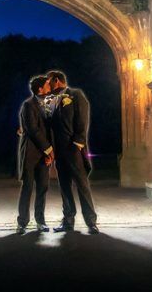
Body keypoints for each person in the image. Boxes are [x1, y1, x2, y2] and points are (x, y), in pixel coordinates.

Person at [45, 69, 98, 234]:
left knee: (82, 185)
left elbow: (82, 120)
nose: (47, 84)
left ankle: (91, 222)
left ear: (57, 80)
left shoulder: (75, 95)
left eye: (49, 81)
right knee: (64, 187)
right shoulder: (51, 100)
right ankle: (68, 221)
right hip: (59, 151)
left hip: (74, 149)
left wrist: (78, 144)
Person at [16, 75, 53, 234]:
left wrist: (50, 152)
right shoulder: (28, 105)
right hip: (31, 153)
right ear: (40, 89)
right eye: (47, 85)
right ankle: (22, 223)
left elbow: (50, 130)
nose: (50, 87)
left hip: (44, 155)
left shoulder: (49, 104)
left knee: (43, 188)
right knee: (28, 188)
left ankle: (40, 221)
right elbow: (33, 129)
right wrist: (48, 149)